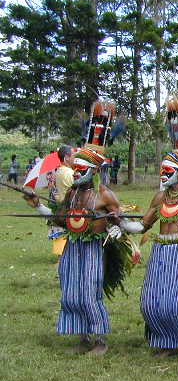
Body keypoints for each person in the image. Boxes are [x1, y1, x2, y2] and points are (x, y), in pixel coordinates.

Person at [22, 147, 123, 355]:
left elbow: (119, 221)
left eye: (81, 168)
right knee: (71, 293)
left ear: (94, 171)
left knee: (88, 293)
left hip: (93, 249)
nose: (76, 172)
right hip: (72, 247)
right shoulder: (71, 194)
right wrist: (38, 205)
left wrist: (114, 228)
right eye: (74, 167)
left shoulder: (104, 195)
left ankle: (100, 340)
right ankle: (83, 338)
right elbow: (59, 219)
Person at [114, 151, 178, 363]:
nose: (163, 174)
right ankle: (167, 343)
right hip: (160, 251)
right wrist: (121, 222)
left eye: (167, 171)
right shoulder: (159, 198)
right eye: (161, 170)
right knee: (151, 302)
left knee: (175, 303)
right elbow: (142, 226)